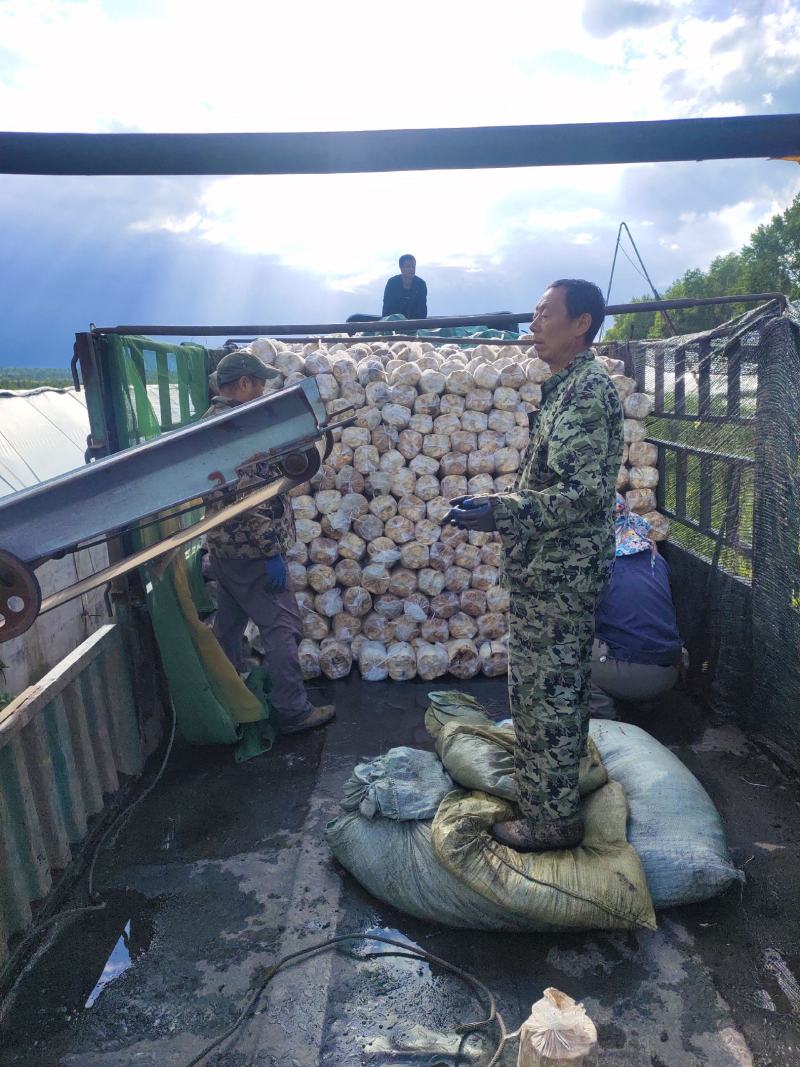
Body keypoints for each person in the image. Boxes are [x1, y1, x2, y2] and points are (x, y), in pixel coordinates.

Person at [446, 279, 623, 852]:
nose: (534, 322)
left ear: (582, 324)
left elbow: (583, 493)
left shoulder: (586, 394)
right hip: (547, 573)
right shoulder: (565, 388)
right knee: (543, 693)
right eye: (535, 312)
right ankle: (549, 794)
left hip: (560, 579)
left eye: (546, 313)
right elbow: (555, 482)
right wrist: (505, 505)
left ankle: (551, 823)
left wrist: (504, 510)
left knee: (550, 695)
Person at [202, 351, 335, 735]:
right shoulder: (236, 428)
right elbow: (247, 499)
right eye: (258, 383)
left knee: (228, 627)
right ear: (243, 383)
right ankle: (293, 711)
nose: (262, 390)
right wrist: (271, 550)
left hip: (226, 549)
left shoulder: (211, 424)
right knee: (282, 627)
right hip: (251, 551)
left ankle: (229, 697)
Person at [590, 494, 683, 718]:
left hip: (637, 673)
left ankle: (606, 722)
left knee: (559, 654)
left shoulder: (597, 568)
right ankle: (641, 704)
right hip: (671, 666)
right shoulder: (654, 556)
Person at [382, 254, 428, 320]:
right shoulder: (392, 283)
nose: (412, 269)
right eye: (408, 266)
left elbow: (422, 311)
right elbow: (387, 310)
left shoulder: (421, 284)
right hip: (394, 324)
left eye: (413, 266)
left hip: (415, 325)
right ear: (401, 268)